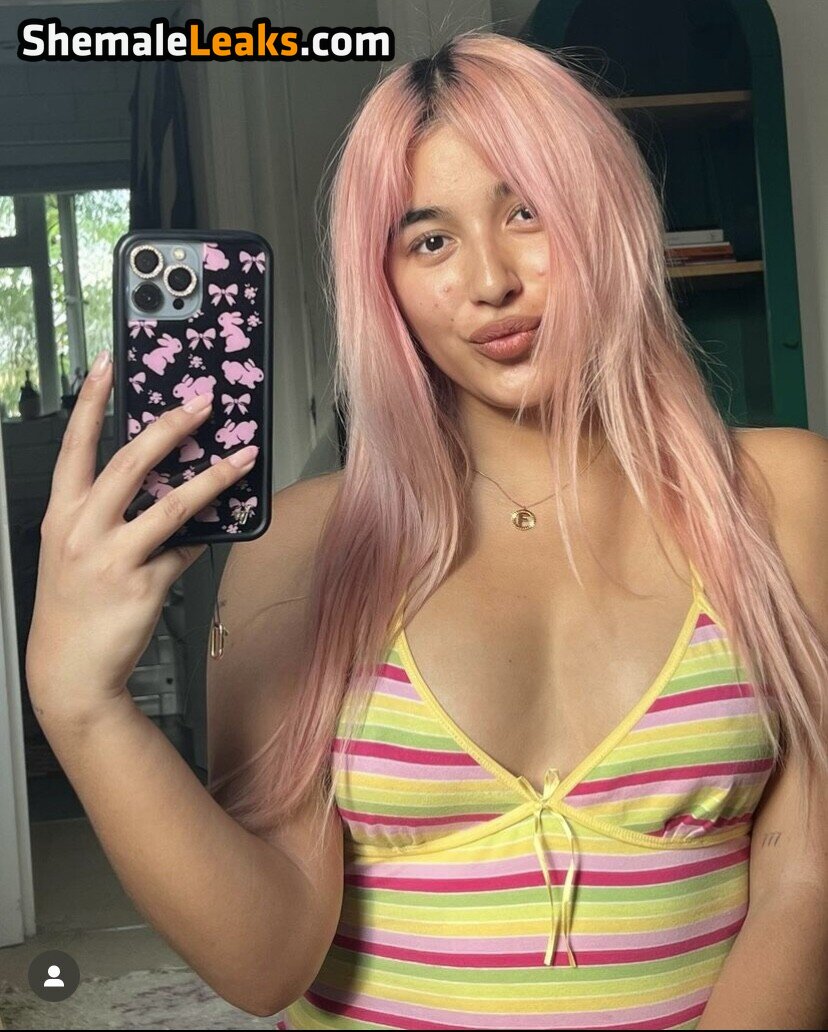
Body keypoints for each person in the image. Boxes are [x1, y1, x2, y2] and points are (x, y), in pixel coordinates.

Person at [28, 30, 827, 1030]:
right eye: (430, 241)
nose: (490, 281)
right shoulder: (302, 545)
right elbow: (266, 960)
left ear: (606, 217)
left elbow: (804, 882)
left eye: (527, 212)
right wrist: (83, 706)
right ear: (386, 281)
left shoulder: (783, 496)